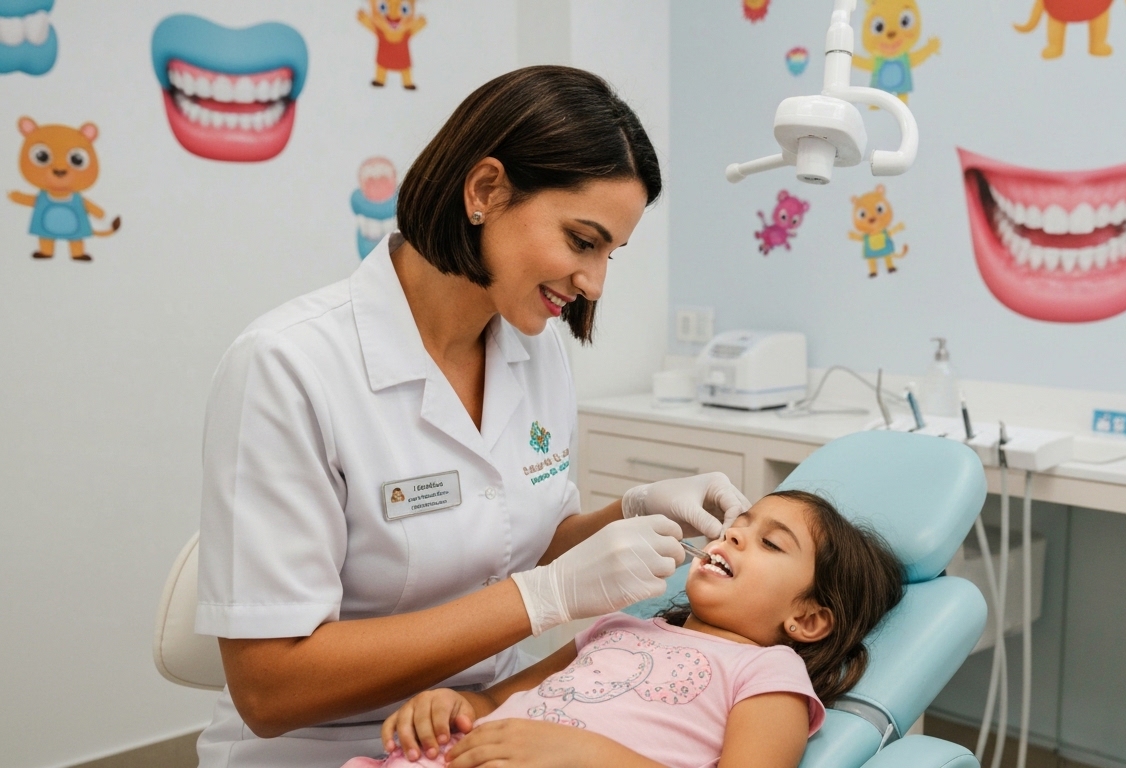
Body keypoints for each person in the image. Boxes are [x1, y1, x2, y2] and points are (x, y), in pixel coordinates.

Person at [195, 66, 750, 768]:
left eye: (611, 253)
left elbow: (518, 538)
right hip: (326, 747)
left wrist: (631, 510)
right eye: (582, 240)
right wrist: (543, 598)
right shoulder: (288, 368)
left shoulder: (535, 350)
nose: (594, 283)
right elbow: (270, 689)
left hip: (486, 726)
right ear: (486, 190)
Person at [373, 490, 906, 768]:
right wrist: (446, 705)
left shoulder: (768, 672)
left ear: (808, 619)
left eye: (771, 543)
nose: (733, 537)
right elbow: (487, 705)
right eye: (737, 527)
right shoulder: (618, 628)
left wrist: (591, 758)